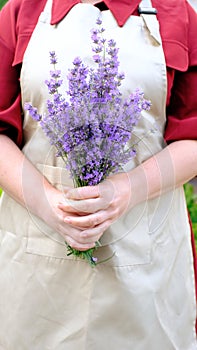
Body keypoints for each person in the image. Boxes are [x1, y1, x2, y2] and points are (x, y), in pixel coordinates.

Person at [0, 0, 197, 348]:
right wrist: (50, 205)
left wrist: (126, 190)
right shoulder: (23, 11)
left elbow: (193, 137)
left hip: (143, 254)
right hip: (37, 252)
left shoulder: (176, 14)